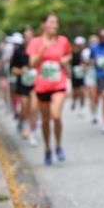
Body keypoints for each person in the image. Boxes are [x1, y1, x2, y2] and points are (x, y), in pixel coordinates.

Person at [27, 13, 72, 165]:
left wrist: (64, 60)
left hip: (59, 84)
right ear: (43, 25)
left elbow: (69, 55)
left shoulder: (63, 41)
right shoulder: (35, 42)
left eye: (56, 22)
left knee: (56, 115)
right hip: (42, 86)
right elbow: (32, 63)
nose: (55, 25)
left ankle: (58, 145)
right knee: (45, 120)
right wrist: (43, 50)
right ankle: (48, 148)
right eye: (51, 22)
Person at [10, 28, 38, 146]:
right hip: (23, 84)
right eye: (26, 36)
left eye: (30, 36)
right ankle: (22, 122)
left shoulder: (38, 50)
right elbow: (12, 69)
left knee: (34, 109)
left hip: (36, 84)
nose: (29, 38)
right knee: (25, 108)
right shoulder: (18, 51)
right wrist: (22, 70)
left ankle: (32, 133)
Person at [83, 33, 100, 124]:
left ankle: (96, 111)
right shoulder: (86, 52)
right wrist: (88, 64)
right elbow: (83, 64)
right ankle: (93, 114)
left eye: (96, 41)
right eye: (92, 42)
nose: (94, 43)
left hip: (99, 74)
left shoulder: (100, 50)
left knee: (96, 96)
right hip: (90, 74)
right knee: (92, 95)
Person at [70, 36, 87, 112]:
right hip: (75, 73)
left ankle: (82, 104)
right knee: (75, 90)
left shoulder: (86, 52)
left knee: (82, 90)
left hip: (83, 73)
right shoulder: (73, 52)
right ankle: (74, 101)